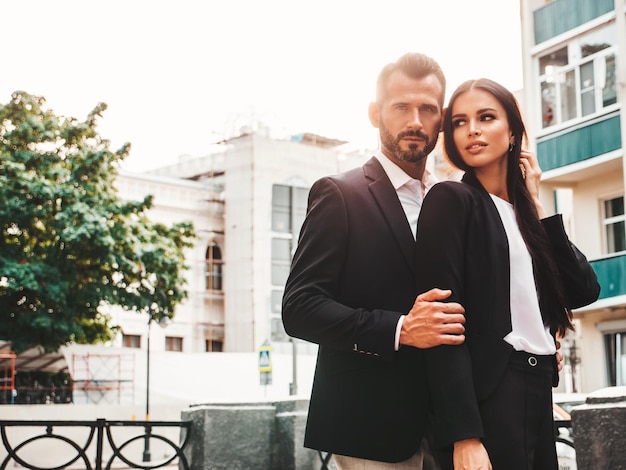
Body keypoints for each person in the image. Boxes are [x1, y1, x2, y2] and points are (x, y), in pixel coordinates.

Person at [281, 52, 468, 469]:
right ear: (374, 113)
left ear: (442, 119)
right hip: (371, 428)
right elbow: (299, 309)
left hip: (454, 428)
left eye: (427, 109)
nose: (415, 120)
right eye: (401, 106)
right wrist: (401, 329)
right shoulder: (339, 194)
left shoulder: (457, 200)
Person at [414, 78, 600, 470]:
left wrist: (536, 201)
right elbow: (443, 323)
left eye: (486, 117)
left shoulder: (525, 215)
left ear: (513, 131)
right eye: (460, 122)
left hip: (537, 391)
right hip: (490, 396)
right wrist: (464, 435)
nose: (473, 130)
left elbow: (583, 291)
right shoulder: (451, 200)